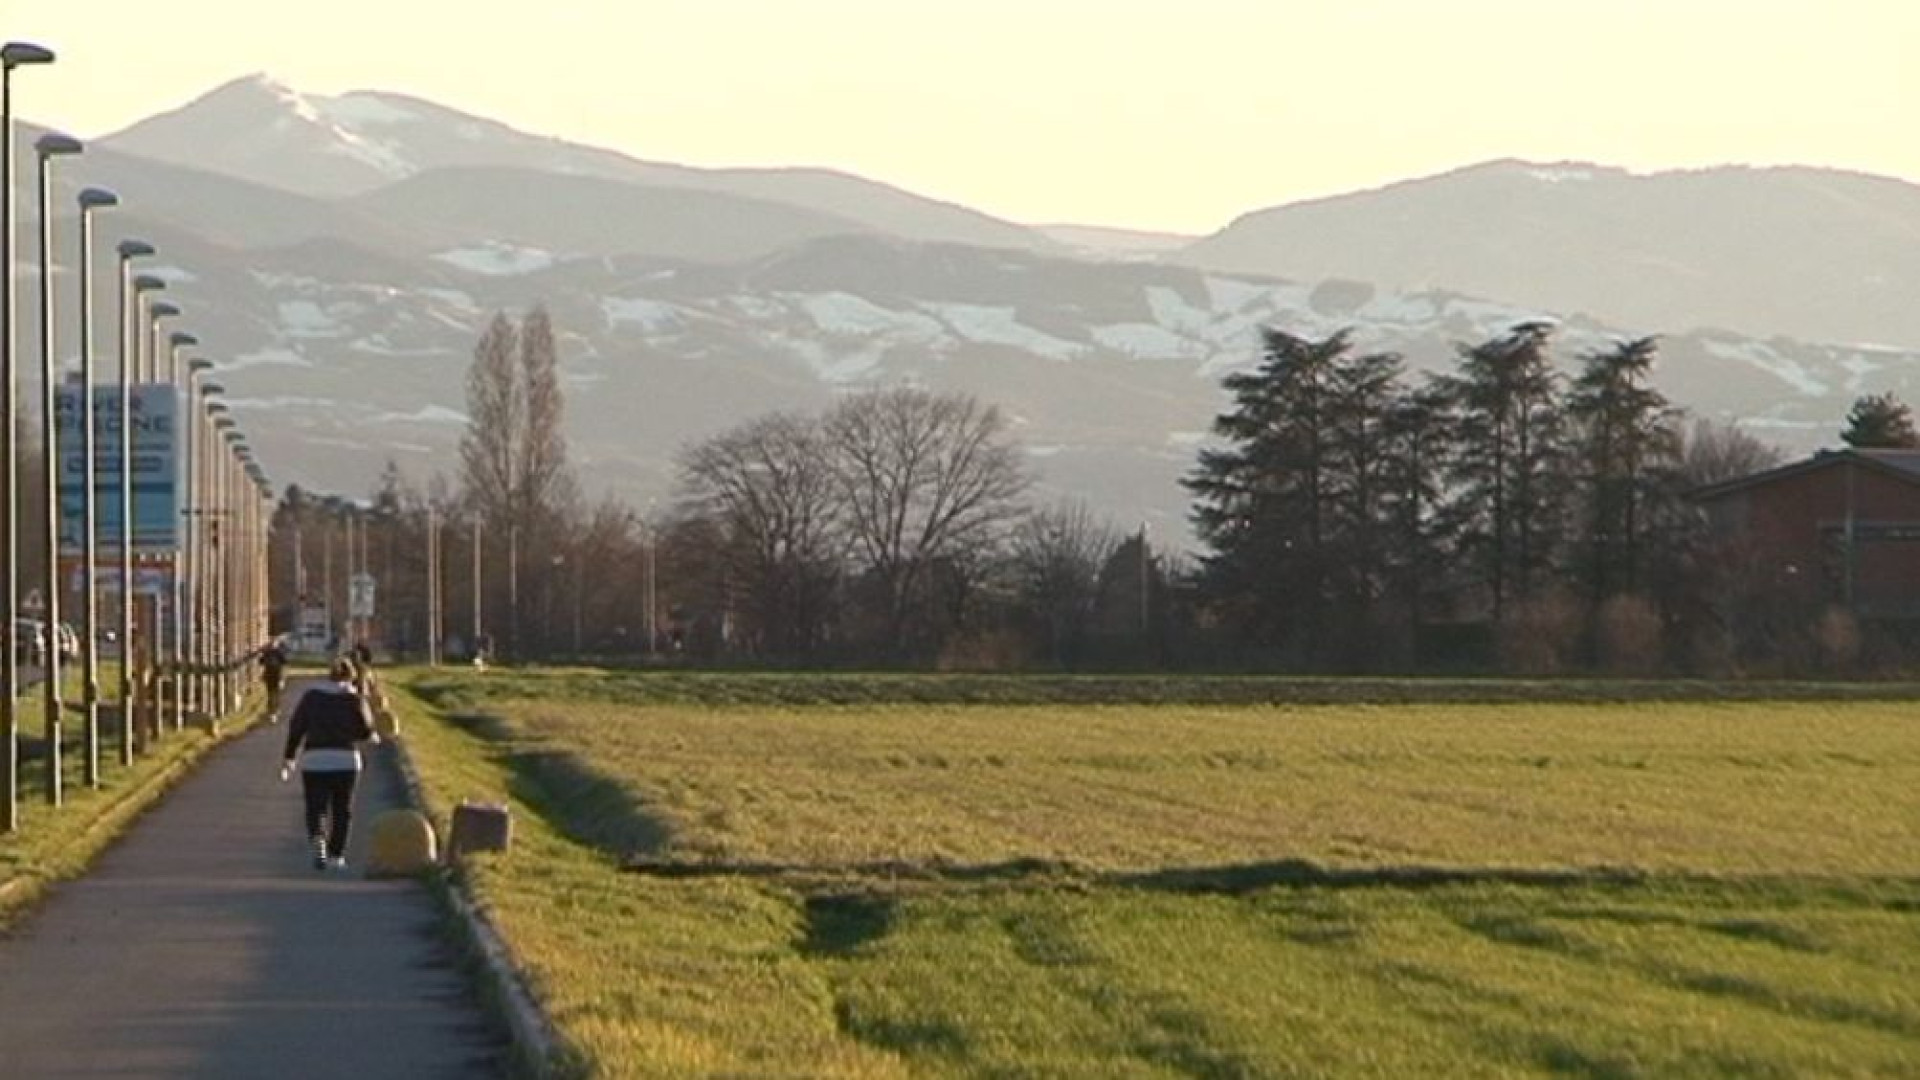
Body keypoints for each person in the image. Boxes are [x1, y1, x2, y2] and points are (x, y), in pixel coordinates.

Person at [280, 657, 380, 871]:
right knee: (342, 809)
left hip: (314, 759)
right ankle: (337, 854)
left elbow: (297, 727)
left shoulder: (311, 697)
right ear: (350, 676)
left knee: (316, 806)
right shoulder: (354, 699)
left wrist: (289, 756)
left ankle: (318, 836)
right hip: (346, 760)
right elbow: (365, 730)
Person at [257, 637, 288, 720]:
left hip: (274, 676)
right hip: (272, 676)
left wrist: (282, 678)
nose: (272, 645)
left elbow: (283, 665)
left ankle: (273, 711)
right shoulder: (270, 652)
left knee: (273, 694)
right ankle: (272, 711)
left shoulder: (276, 652)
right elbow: (261, 662)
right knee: (272, 694)